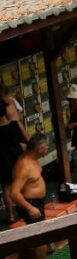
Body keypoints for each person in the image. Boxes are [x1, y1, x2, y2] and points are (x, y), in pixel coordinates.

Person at [10, 133, 49, 256]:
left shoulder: (33, 158)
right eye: (47, 146)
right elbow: (14, 193)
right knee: (41, 238)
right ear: (39, 149)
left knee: (36, 237)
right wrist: (30, 208)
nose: (48, 148)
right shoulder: (24, 166)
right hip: (30, 204)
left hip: (37, 203)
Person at [0, 85, 28, 224]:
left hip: (2, 157)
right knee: (20, 183)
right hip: (16, 153)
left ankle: (11, 216)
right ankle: (24, 211)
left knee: (6, 187)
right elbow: (26, 139)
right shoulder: (15, 124)